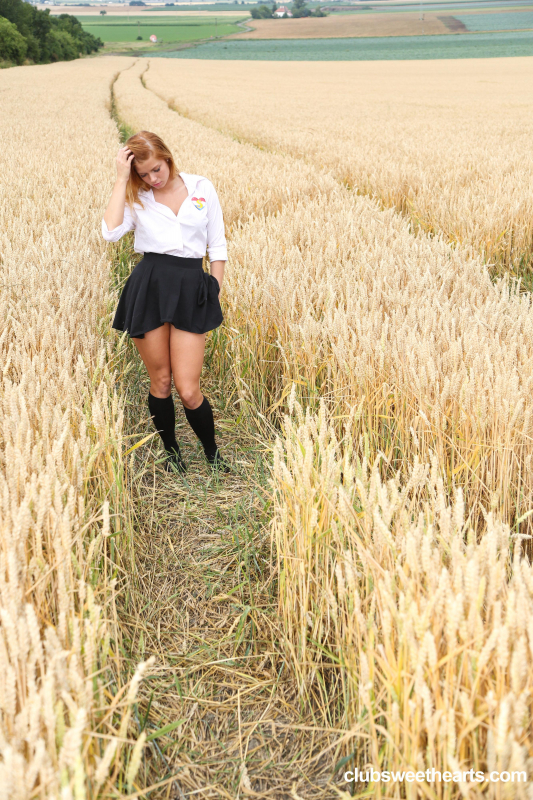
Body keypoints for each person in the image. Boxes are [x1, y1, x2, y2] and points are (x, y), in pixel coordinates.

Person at [102, 130, 230, 475]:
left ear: (168, 158)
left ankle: (212, 454)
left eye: (156, 170)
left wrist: (213, 290)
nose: (152, 179)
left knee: (188, 388)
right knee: (160, 381)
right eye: (142, 174)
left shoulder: (202, 188)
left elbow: (217, 247)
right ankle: (172, 450)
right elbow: (110, 232)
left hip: (192, 286)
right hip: (151, 285)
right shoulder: (137, 195)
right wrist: (121, 180)